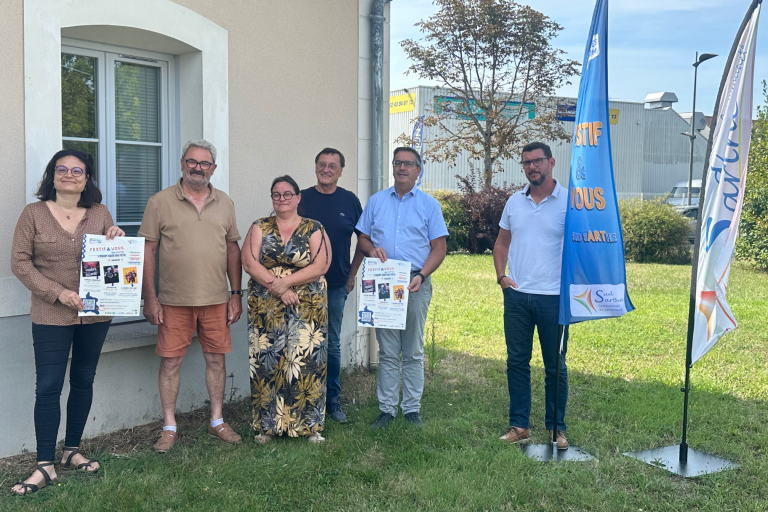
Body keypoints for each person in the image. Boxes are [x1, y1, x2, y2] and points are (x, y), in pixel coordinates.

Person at [10, 149, 125, 495]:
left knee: (83, 380)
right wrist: (57, 293)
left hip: (95, 313)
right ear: (52, 175)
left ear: (87, 178)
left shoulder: (100, 213)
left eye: (77, 171)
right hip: (50, 314)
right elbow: (19, 262)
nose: (69, 175)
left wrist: (116, 237)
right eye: (62, 169)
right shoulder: (33, 214)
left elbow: (112, 258)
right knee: (48, 386)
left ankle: (71, 450)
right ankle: (44, 464)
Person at [138, 139, 243, 453]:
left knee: (216, 360)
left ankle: (217, 420)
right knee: (171, 363)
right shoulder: (159, 202)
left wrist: (235, 294)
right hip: (172, 301)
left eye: (204, 163)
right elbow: (148, 251)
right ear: (183, 163)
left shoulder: (225, 202)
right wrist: (150, 298)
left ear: (213, 168)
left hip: (216, 299)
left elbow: (233, 250)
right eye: (192, 161)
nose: (198, 168)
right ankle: (169, 426)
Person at [356, 147, 448, 429]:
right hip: (384, 282)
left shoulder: (429, 205)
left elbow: (439, 248)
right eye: (398, 163)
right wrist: (371, 249)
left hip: (414, 282)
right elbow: (362, 238)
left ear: (418, 170)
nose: (402, 168)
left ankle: (411, 409)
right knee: (387, 350)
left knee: (413, 350)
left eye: (408, 164)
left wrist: (423, 274)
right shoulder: (376, 201)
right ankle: (386, 409)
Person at [242, 175, 332, 443]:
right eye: (276, 194)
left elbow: (321, 265)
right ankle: (267, 426)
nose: (282, 199)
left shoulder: (314, 227)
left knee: (307, 361)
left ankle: (309, 426)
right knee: (267, 362)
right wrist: (278, 288)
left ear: (298, 197)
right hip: (266, 306)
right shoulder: (259, 226)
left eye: (287, 194)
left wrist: (286, 283)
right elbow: (249, 262)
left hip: (307, 306)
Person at [492, 141, 569, 449]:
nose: (532, 167)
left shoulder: (570, 201)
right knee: (517, 362)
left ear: (551, 162)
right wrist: (502, 277)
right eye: (526, 163)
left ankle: (556, 428)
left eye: (537, 161)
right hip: (518, 296)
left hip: (555, 298)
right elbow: (501, 243)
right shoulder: (514, 202)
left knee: (555, 366)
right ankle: (519, 426)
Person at [299, 148, 363, 423]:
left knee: (332, 343)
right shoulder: (301, 199)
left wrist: (352, 274)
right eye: (322, 164)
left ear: (340, 171)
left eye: (332, 166)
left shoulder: (350, 201)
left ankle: (332, 399)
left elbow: (364, 240)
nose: (326, 170)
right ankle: (303, 397)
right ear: (315, 168)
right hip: (302, 286)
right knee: (302, 341)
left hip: (336, 284)